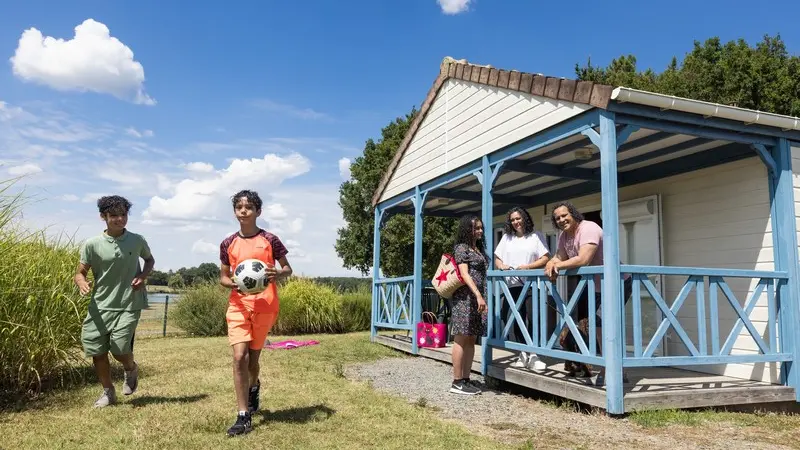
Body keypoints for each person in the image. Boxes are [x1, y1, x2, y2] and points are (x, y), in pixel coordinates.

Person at [219, 189, 293, 436]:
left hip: (265, 306)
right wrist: (233, 283)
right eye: (239, 207)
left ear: (258, 211)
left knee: (253, 360)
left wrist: (277, 273)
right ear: (234, 212)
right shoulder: (228, 243)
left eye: (249, 207)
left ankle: (254, 385)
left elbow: (287, 269)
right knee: (239, 357)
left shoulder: (270, 240)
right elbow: (223, 277)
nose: (243, 210)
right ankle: (243, 415)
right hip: (238, 305)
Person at [74, 195, 155, 408]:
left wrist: (143, 276)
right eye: (114, 216)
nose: (120, 219)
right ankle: (108, 392)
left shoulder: (137, 240)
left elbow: (149, 259)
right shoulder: (92, 244)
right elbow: (80, 272)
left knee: (119, 348)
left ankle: (130, 368)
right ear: (103, 217)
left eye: (123, 214)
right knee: (97, 351)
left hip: (130, 302)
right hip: (100, 305)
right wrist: (82, 283)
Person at [544, 201, 632, 383]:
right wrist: (551, 263)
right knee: (590, 324)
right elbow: (559, 256)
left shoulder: (589, 228)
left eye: (564, 215)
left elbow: (584, 259)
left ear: (574, 214)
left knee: (605, 324)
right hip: (595, 285)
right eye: (557, 218)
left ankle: (614, 370)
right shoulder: (564, 236)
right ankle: (599, 365)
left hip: (617, 282)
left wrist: (557, 265)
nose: (561, 220)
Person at [493, 206, 550, 371]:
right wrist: (502, 265)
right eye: (512, 220)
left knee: (533, 317)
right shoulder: (506, 238)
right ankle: (522, 352)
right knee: (516, 318)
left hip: (531, 284)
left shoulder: (535, 236)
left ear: (525, 218)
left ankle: (534, 354)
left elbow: (546, 258)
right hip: (512, 284)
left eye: (518, 218)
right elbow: (497, 259)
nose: (516, 222)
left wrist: (528, 267)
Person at [449, 214, 488, 395]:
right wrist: (478, 295)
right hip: (465, 298)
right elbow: (464, 274)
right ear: (467, 230)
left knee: (472, 338)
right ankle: (456, 382)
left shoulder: (477, 249)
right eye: (476, 228)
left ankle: (466, 379)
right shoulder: (461, 248)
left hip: (476, 298)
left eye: (481, 228)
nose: (479, 231)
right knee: (461, 337)